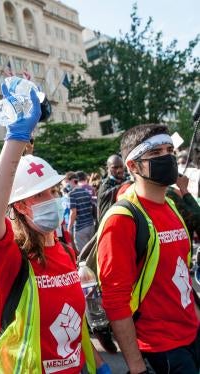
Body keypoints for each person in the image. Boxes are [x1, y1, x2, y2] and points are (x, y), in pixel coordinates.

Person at [0, 85, 109, 373]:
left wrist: (99, 365)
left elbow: (75, 324)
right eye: (39, 195)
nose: (51, 199)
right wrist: (15, 139)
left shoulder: (64, 250)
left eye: (52, 191)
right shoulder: (11, 260)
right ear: (20, 207)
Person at [97, 124, 200, 373]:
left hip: (192, 335)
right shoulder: (122, 219)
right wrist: (136, 367)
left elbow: (182, 274)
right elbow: (115, 300)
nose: (166, 157)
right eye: (155, 153)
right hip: (160, 350)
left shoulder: (171, 206)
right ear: (132, 166)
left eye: (169, 150)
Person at [65, 171, 95, 252]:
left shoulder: (72, 194)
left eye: (66, 182)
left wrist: (69, 227)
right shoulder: (86, 192)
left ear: (71, 180)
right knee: (92, 252)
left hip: (80, 228)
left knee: (83, 254)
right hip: (91, 225)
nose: (66, 185)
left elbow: (73, 212)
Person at [97, 155, 125, 221]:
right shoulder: (105, 185)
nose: (119, 170)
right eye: (115, 167)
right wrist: (124, 186)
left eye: (121, 166)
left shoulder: (124, 181)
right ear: (108, 168)